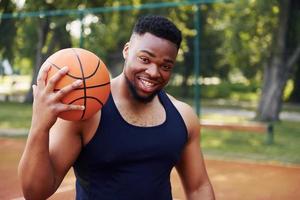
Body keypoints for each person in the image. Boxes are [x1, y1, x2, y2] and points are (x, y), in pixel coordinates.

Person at [18, 15, 215, 200]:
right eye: (145, 59)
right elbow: (35, 192)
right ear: (127, 50)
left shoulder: (183, 116)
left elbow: (198, 187)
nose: (154, 72)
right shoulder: (87, 111)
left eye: (165, 66)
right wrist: (39, 126)